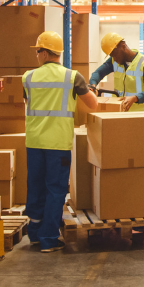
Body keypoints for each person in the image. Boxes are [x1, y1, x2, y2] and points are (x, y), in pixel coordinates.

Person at [23, 31, 98, 252]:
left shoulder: (27, 77)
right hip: (57, 144)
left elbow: (28, 102)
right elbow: (92, 104)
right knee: (55, 189)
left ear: (45, 53)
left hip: (34, 142)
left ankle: (35, 234)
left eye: (38, 52)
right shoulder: (72, 77)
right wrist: (89, 90)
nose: (37, 56)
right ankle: (48, 238)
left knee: (35, 186)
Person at [89, 33, 144, 112]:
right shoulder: (114, 61)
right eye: (111, 56)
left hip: (140, 114)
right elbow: (98, 73)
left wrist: (135, 98)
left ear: (123, 46)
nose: (114, 58)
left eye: (115, 54)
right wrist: (93, 86)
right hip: (121, 112)